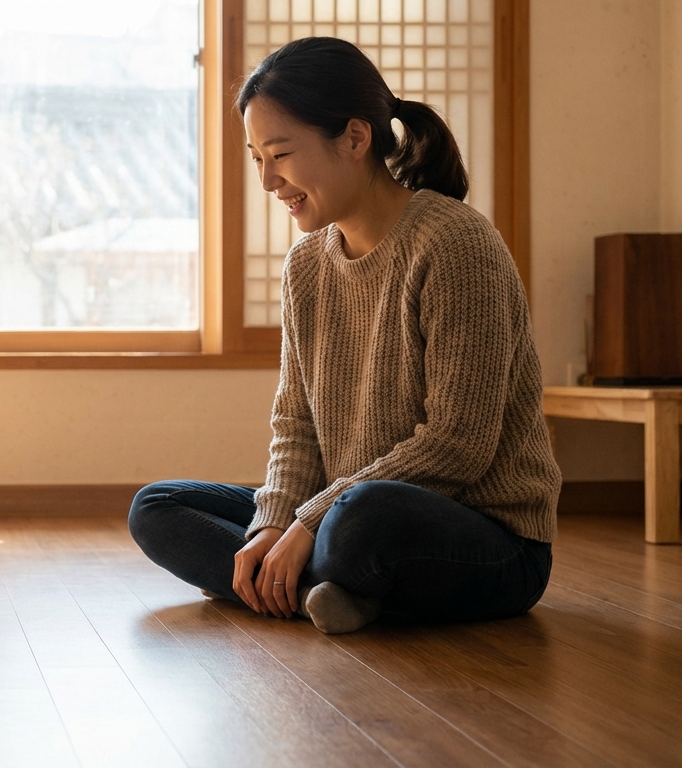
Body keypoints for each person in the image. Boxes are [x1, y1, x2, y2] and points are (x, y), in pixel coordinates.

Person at [128, 37, 561, 634]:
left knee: (362, 517)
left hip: (483, 537)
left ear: (355, 138)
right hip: (342, 512)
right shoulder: (306, 265)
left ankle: (281, 582)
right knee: (158, 507)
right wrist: (276, 523)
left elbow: (459, 444)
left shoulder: (456, 244)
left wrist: (312, 521)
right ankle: (325, 590)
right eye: (256, 157)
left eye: (278, 153)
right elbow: (297, 423)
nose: (267, 180)